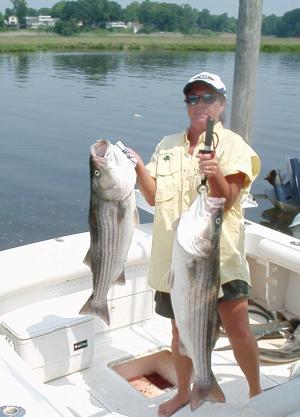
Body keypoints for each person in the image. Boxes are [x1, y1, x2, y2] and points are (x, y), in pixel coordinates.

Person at [130, 71, 262, 417]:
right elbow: (155, 196)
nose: (199, 104)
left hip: (219, 257)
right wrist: (138, 167)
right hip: (177, 260)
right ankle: (186, 392)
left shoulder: (233, 146)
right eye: (192, 98)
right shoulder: (168, 144)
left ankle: (257, 392)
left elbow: (227, 201)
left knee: (237, 328)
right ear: (186, 105)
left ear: (221, 104)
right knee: (180, 330)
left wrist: (215, 171)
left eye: (207, 98)